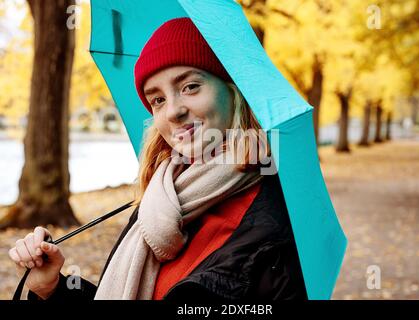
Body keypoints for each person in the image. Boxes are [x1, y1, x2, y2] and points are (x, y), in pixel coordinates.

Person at [8, 17, 306, 301]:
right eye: (158, 100)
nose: (173, 111)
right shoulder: (161, 196)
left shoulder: (280, 220)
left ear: (233, 92)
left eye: (190, 86)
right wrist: (54, 289)